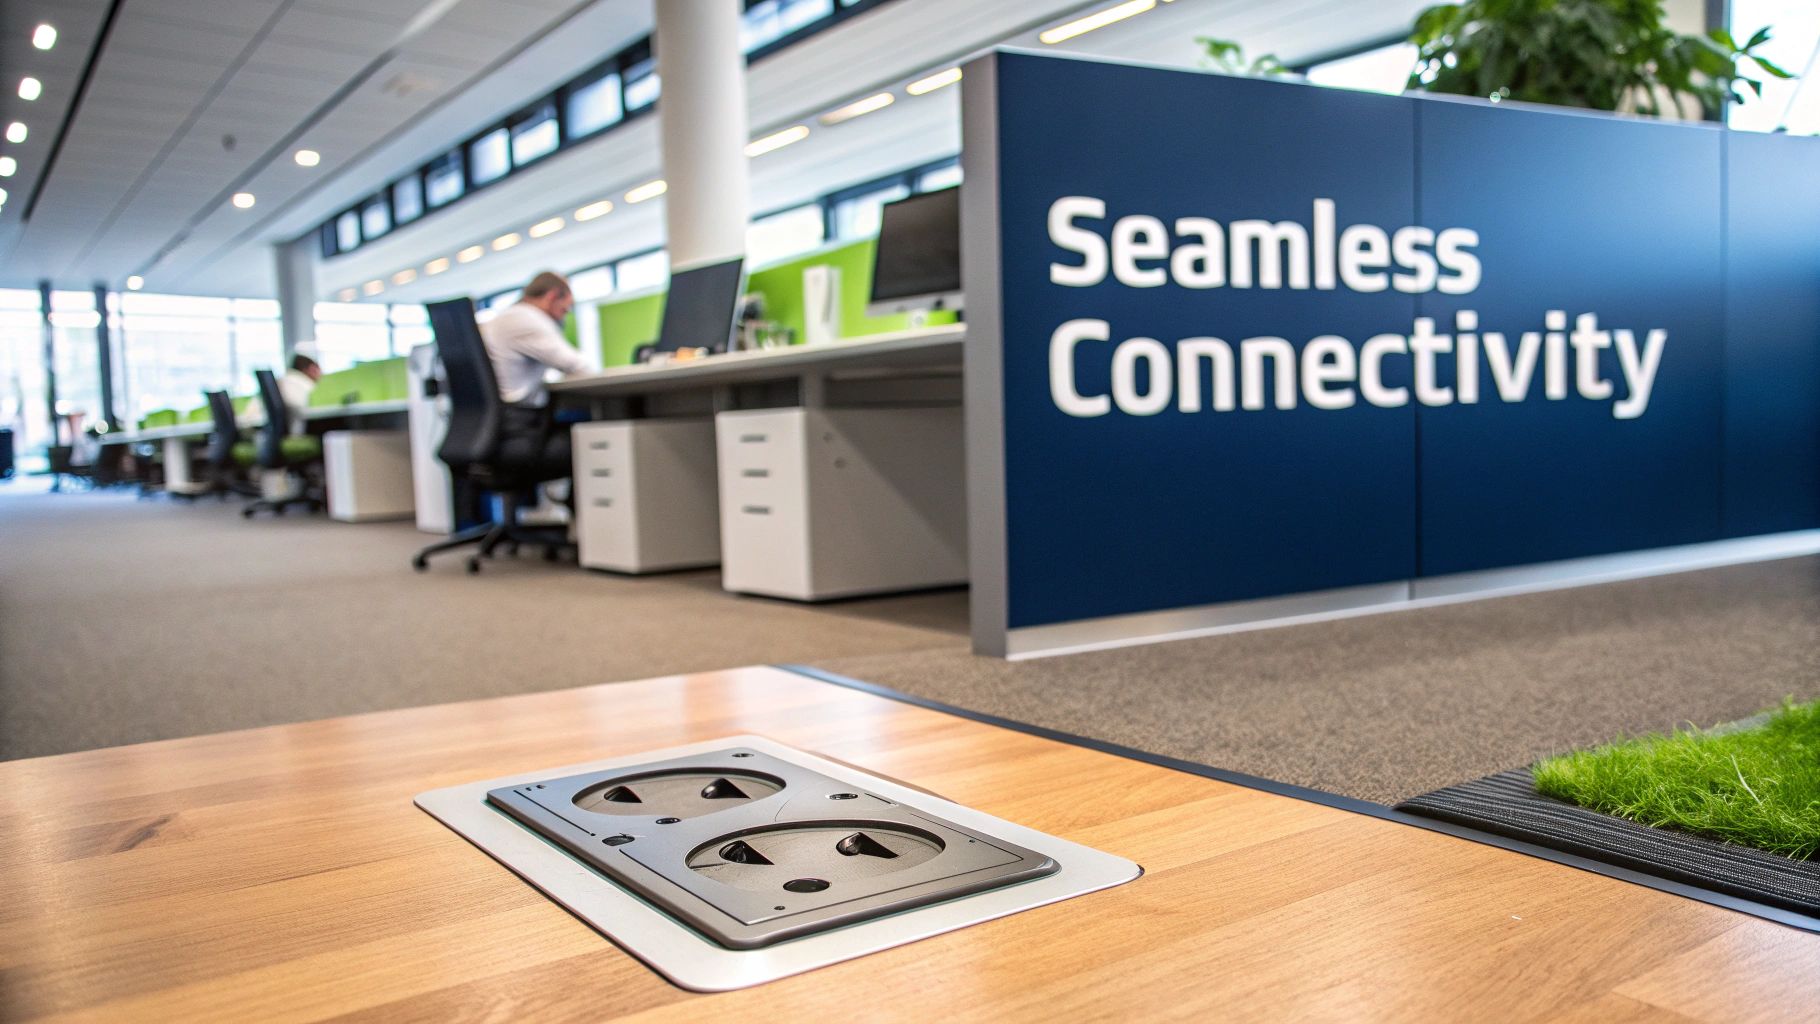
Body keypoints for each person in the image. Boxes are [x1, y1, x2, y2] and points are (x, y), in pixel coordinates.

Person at [479, 271, 588, 407]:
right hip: (519, 413)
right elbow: (578, 365)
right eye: (564, 310)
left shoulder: (508, 316)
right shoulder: (527, 318)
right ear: (552, 297)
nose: (563, 318)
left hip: (496, 410)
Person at [279, 346, 323, 434]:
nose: (321, 374)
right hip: (292, 433)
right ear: (311, 369)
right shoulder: (302, 383)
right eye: (317, 369)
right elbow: (300, 408)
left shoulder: (283, 380)